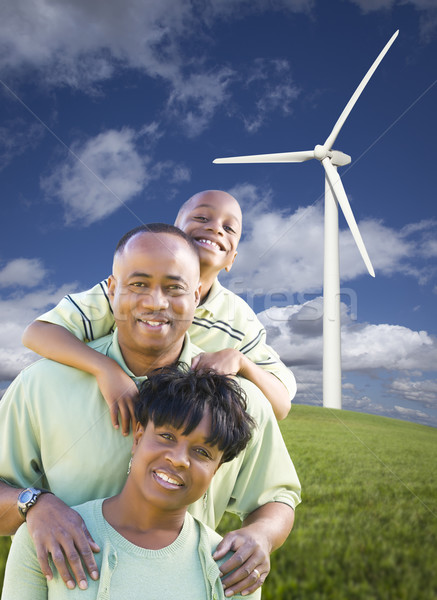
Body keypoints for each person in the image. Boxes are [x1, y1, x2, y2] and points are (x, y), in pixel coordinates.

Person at [0, 224, 301, 598]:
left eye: (174, 288)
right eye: (139, 284)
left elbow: (277, 497)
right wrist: (33, 505)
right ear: (112, 290)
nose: (156, 302)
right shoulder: (40, 385)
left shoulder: (239, 402)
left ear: (196, 295)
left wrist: (261, 535)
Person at [22, 190, 296, 425]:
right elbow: (38, 333)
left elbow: (280, 406)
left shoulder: (239, 317)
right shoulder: (126, 291)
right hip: (106, 417)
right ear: (173, 233)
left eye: (229, 228)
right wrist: (105, 369)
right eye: (202, 217)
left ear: (232, 259)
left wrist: (241, 361)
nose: (215, 228)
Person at [2, 365, 261, 599]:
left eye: (203, 452)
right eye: (167, 436)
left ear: (215, 471)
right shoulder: (46, 536)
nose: (179, 459)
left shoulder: (235, 568)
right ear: (137, 438)